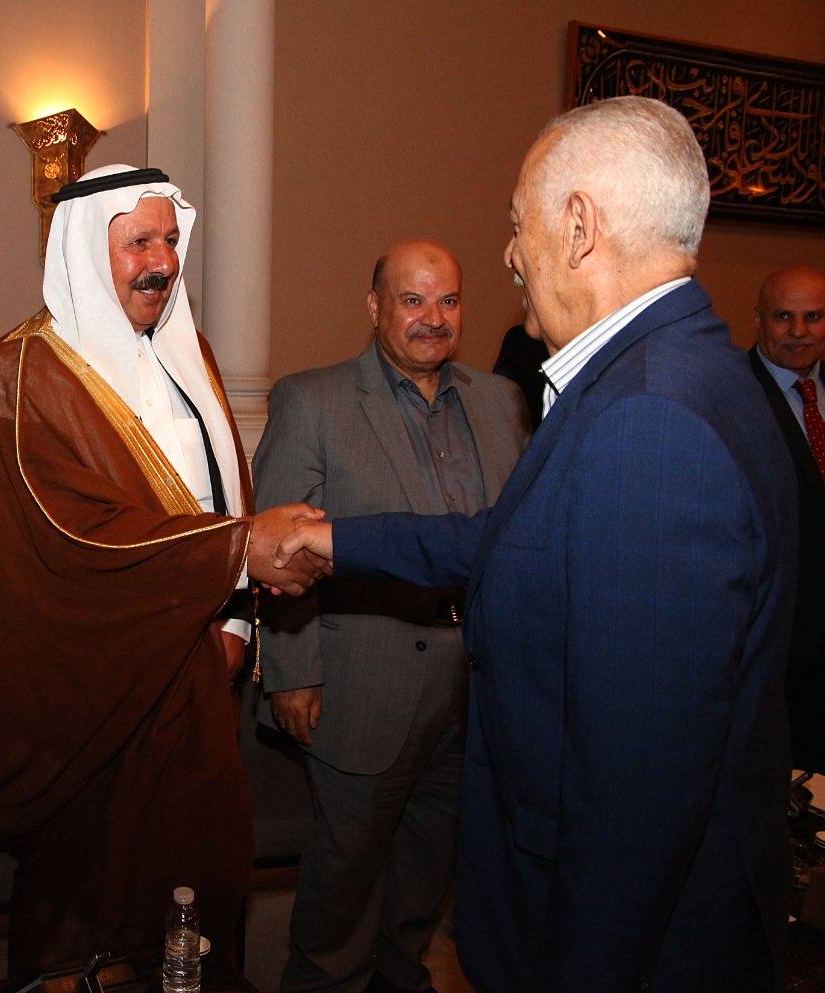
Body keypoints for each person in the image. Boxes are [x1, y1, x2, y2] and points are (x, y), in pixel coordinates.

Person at [273, 96, 796, 993]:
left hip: (628, 943)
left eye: (519, 226)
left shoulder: (648, 420)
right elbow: (512, 541)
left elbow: (634, 799)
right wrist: (332, 537)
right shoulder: (684, 369)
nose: (512, 255)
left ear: (580, 227)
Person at [0, 164, 322, 971]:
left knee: (199, 900)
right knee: (98, 918)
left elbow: (225, 490)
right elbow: (70, 542)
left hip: (201, 685)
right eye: (138, 242)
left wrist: (233, 622)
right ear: (89, 251)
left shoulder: (193, 356)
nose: (161, 261)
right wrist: (237, 551)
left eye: (170, 240)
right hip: (94, 698)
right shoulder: (17, 375)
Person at [254, 239, 528, 993]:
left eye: (448, 300)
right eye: (412, 300)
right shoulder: (313, 400)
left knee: (425, 874)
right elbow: (279, 552)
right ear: (375, 307)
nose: (433, 318)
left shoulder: (501, 402)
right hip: (362, 685)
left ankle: (399, 978)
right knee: (343, 886)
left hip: (472, 691)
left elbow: (512, 541)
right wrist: (292, 672)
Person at [749, 265, 825, 773]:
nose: (799, 331)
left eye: (813, 317)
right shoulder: (731, 394)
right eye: (783, 317)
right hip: (778, 646)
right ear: (758, 320)